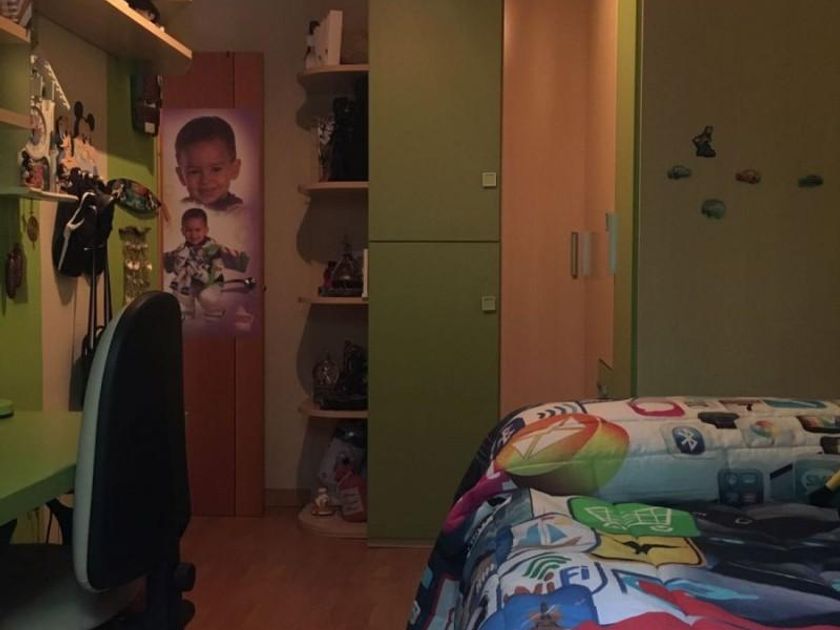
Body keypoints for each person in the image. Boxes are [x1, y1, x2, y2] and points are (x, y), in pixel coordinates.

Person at [163, 207, 250, 320]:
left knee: (207, 296)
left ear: (206, 230)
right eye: (189, 230)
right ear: (183, 231)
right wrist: (175, 263)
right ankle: (186, 311)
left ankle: (214, 311)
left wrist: (206, 277)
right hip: (190, 282)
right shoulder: (182, 250)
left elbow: (221, 266)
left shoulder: (213, 249)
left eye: (197, 230)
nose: (193, 235)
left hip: (211, 282)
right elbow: (171, 263)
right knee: (180, 290)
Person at [174, 115, 243, 211]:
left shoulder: (241, 213)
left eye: (216, 169)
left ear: (234, 169)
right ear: (181, 175)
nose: (205, 180)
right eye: (194, 172)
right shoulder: (175, 210)